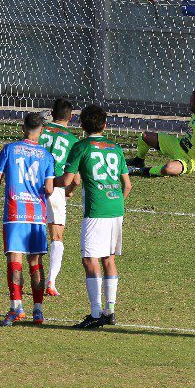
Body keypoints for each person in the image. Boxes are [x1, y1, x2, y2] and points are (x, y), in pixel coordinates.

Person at [57, 105, 131, 329]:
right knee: (109, 259)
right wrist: (115, 202)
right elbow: (127, 185)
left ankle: (96, 313)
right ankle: (110, 311)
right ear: (105, 125)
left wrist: (46, 182)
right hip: (116, 208)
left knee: (90, 259)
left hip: (96, 210)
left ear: (82, 125)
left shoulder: (81, 147)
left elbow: (67, 180)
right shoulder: (116, 148)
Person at [0, 112, 55, 326]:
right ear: (41, 130)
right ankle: (38, 311)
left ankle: (16, 307)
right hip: (37, 215)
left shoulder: (10, 149)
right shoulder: (47, 156)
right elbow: (49, 189)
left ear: (23, 128)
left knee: (15, 260)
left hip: (15, 213)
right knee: (36, 262)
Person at [127, 89, 195, 181]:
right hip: (178, 145)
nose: (189, 103)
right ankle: (138, 161)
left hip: (190, 160)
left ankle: (143, 171)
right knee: (145, 136)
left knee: (168, 169)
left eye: (191, 101)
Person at [37, 98, 79, 296]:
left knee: (34, 233)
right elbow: (76, 179)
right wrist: (70, 190)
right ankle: (51, 282)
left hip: (33, 186)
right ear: (71, 117)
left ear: (52, 114)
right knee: (56, 236)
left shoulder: (40, 130)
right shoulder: (73, 141)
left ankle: (35, 279)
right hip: (56, 187)